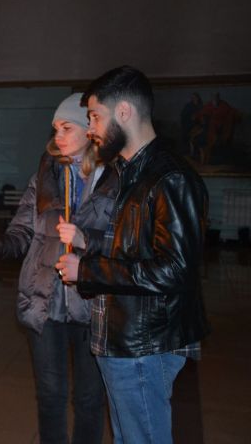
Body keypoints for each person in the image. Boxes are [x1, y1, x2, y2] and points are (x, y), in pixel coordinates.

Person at [56, 65, 210, 444]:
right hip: (125, 337)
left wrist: (88, 270)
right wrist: (90, 246)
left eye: (95, 116)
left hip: (144, 343)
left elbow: (174, 270)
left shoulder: (169, 177)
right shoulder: (130, 173)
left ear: (124, 112)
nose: (90, 128)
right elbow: (135, 248)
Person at [0, 93, 116, 444]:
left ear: (90, 130)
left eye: (67, 127)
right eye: (55, 128)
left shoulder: (115, 179)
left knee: (89, 399)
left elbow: (125, 242)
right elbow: (22, 234)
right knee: (50, 396)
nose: (58, 136)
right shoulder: (46, 175)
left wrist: (86, 238)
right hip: (45, 302)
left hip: (93, 303)